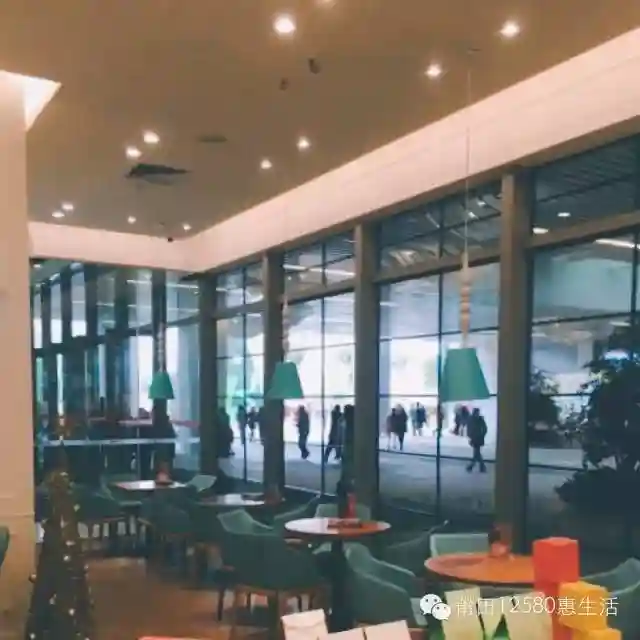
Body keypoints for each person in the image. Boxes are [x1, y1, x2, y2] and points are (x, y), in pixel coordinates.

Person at [466, 408, 488, 472]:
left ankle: (472, 467)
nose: (477, 414)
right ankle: (481, 467)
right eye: (476, 413)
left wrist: (482, 435)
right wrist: (470, 435)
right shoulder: (471, 419)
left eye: (478, 413)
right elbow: (469, 428)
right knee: (477, 453)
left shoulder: (480, 419)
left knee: (476, 453)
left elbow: (485, 428)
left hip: (478, 438)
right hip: (474, 438)